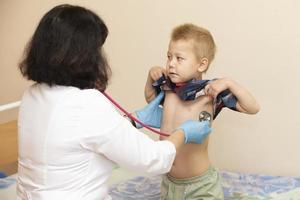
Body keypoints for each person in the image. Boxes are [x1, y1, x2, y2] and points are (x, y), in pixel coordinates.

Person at [17, 5, 212, 200]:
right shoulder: (87, 104)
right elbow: (153, 159)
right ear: (81, 54)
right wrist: (182, 133)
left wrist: (133, 120)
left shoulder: (31, 96)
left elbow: (82, 134)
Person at [144, 23, 260, 199]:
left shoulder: (210, 91)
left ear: (201, 64)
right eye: (169, 57)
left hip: (200, 185)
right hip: (169, 183)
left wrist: (229, 83)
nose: (171, 64)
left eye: (179, 58)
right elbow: (150, 99)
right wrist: (149, 76)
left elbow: (252, 107)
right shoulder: (167, 85)